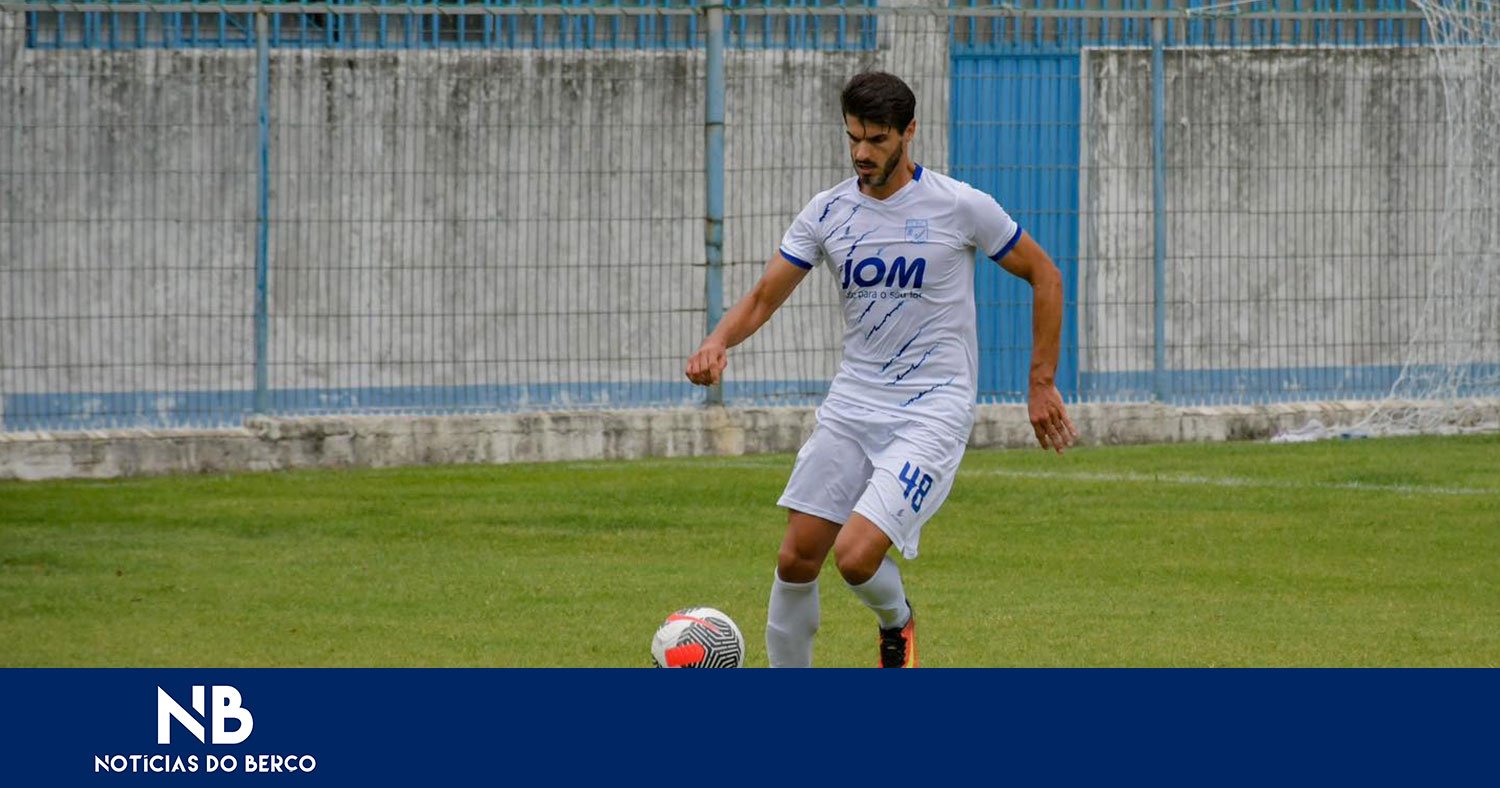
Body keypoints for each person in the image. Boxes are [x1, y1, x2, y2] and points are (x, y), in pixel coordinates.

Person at [684, 71, 1076, 668]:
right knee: (795, 559)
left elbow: (1045, 275)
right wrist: (717, 341)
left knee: (855, 556)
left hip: (931, 412)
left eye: (877, 139)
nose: (862, 153)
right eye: (854, 138)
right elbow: (764, 296)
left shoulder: (959, 205)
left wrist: (1041, 383)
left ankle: (898, 622)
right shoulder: (828, 212)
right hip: (852, 405)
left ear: (909, 132)